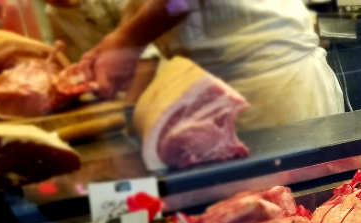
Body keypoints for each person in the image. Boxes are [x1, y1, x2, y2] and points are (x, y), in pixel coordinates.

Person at [77, 0, 344, 131]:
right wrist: (119, 44)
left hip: (267, 87)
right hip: (234, 86)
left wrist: (127, 41)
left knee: (288, 215)